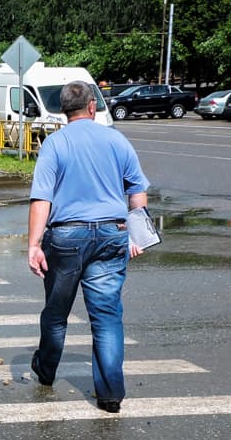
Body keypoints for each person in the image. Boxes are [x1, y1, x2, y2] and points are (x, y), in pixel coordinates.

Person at [26, 80, 149, 414]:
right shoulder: (116, 139)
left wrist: (34, 245)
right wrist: (137, 235)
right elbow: (137, 193)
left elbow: (42, 199)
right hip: (112, 235)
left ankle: (46, 372)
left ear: (63, 109)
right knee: (107, 317)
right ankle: (110, 396)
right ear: (92, 107)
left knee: (56, 314)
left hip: (66, 238)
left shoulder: (54, 144)